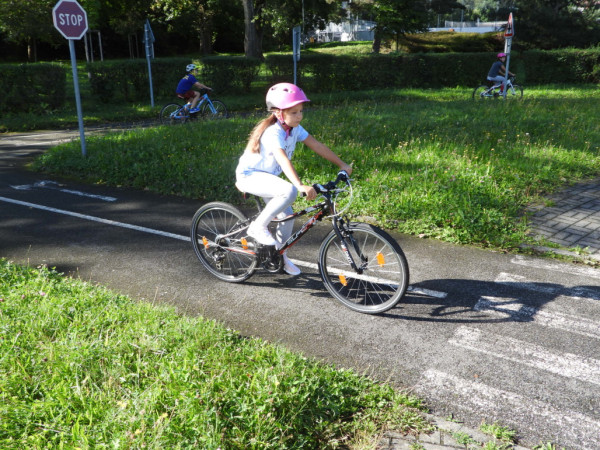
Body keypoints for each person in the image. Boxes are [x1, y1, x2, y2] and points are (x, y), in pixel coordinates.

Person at [235, 82, 353, 276]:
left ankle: (280, 256)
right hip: (249, 176)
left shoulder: (294, 129)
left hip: (268, 178)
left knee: (287, 216)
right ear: (279, 113)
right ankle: (257, 227)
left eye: (300, 111)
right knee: (289, 191)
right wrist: (299, 185)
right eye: (294, 112)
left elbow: (317, 145)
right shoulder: (273, 132)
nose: (299, 116)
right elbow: (282, 159)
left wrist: (342, 164)